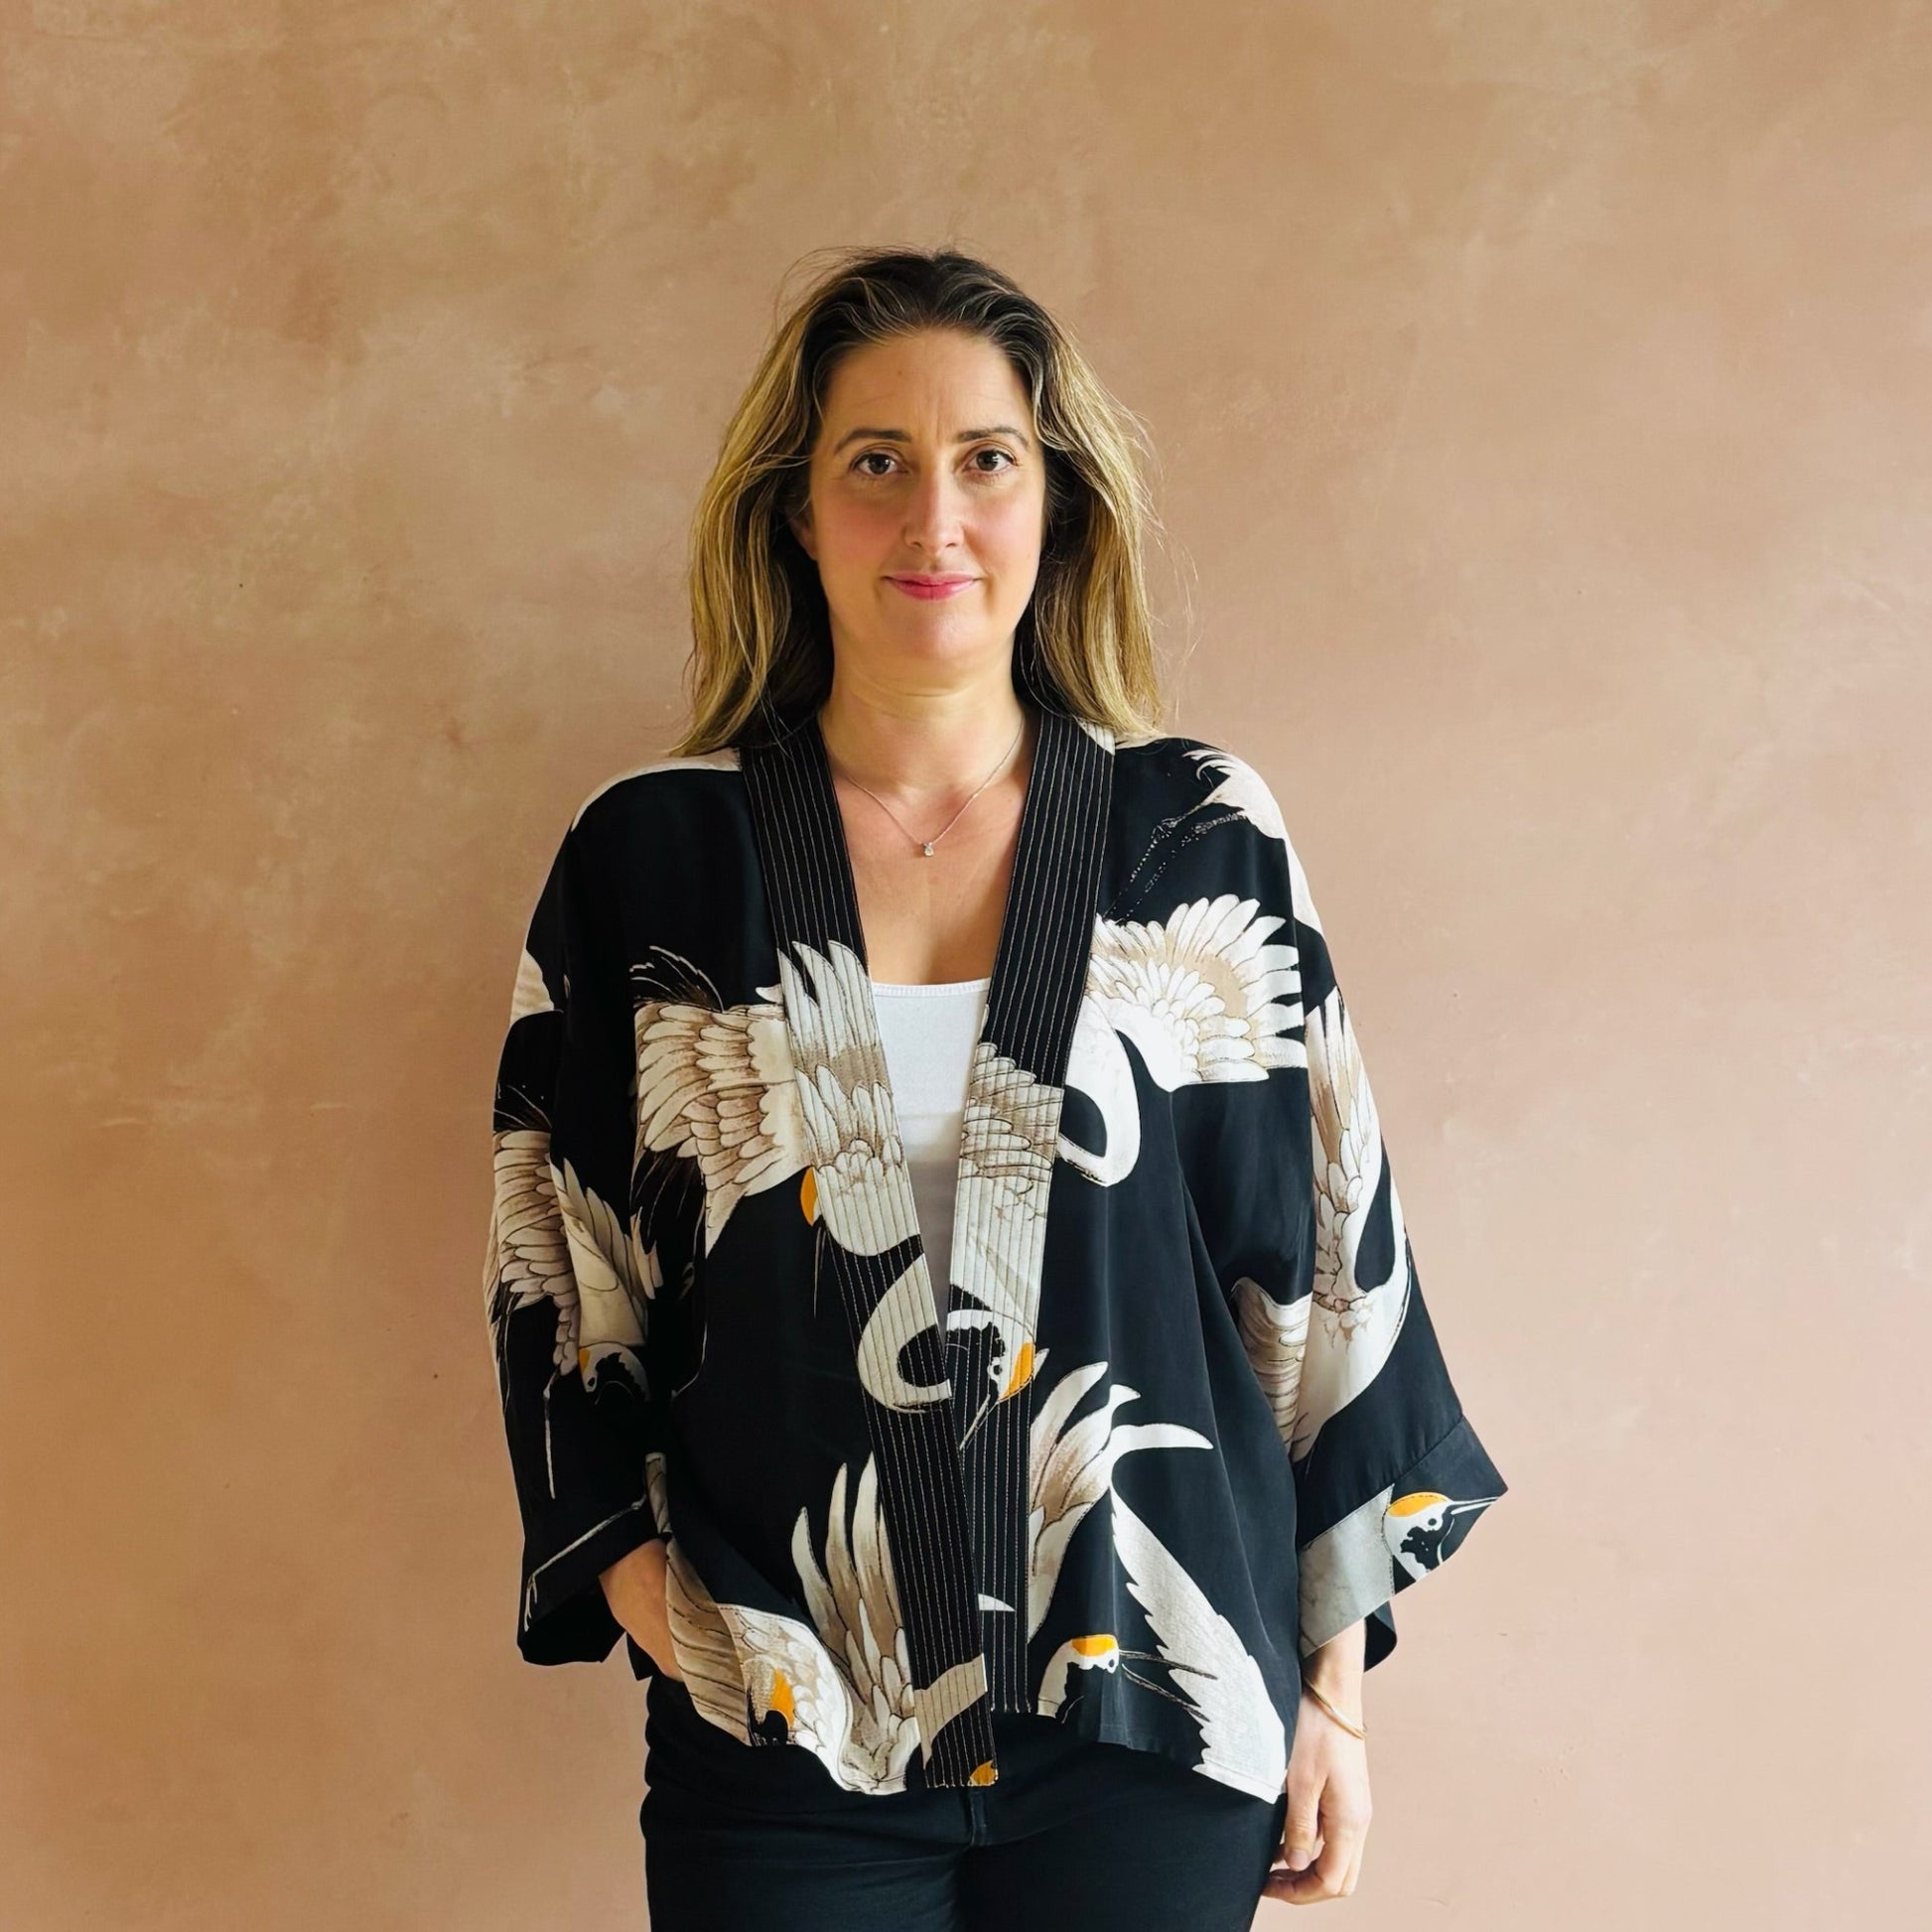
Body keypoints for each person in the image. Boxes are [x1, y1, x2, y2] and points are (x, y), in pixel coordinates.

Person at [483, 245, 1508, 1928]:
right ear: (793, 513)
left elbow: (1324, 1265)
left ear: (1056, 506)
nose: (931, 519)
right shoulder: (648, 854)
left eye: (986, 459)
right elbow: (555, 1264)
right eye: (872, 461)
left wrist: (1331, 1695)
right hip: (781, 1732)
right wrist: (656, 1599)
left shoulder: (1197, 837)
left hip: (1153, 1726)